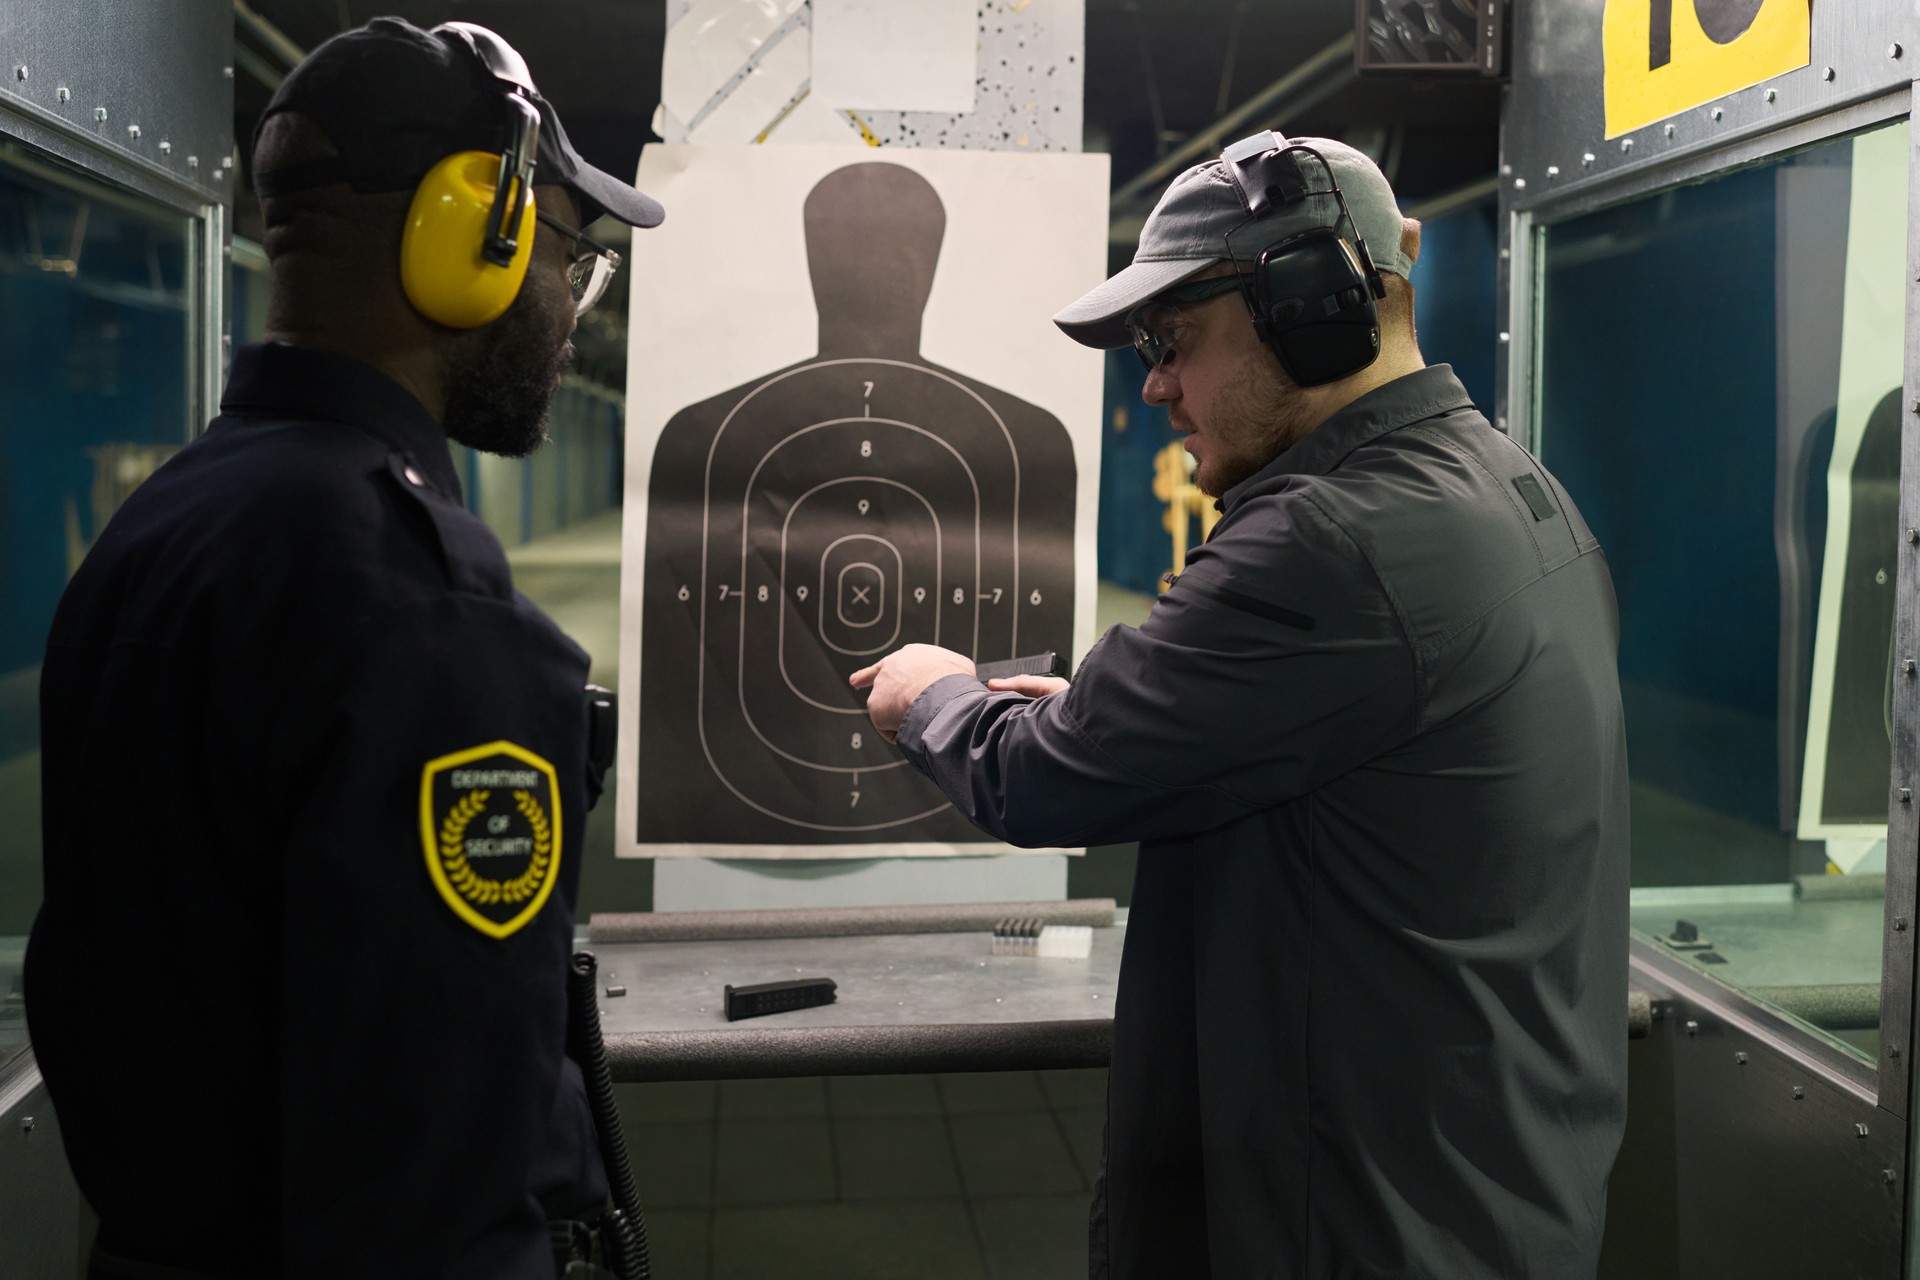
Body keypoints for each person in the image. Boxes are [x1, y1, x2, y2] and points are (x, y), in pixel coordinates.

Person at [852, 132, 1628, 1278]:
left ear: (1306, 307)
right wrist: (1158, 712)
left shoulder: (1326, 536)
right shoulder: (1512, 486)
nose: (1156, 381)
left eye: (1174, 340)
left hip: (1349, 1222)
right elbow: (1358, 744)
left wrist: (936, 697)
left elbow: (1039, 774)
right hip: (1484, 1187)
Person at [25, 19, 662, 1278]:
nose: (567, 310)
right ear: (469, 234)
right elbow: (435, 1189)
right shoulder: (425, 613)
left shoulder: (159, 533)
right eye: (559, 254)